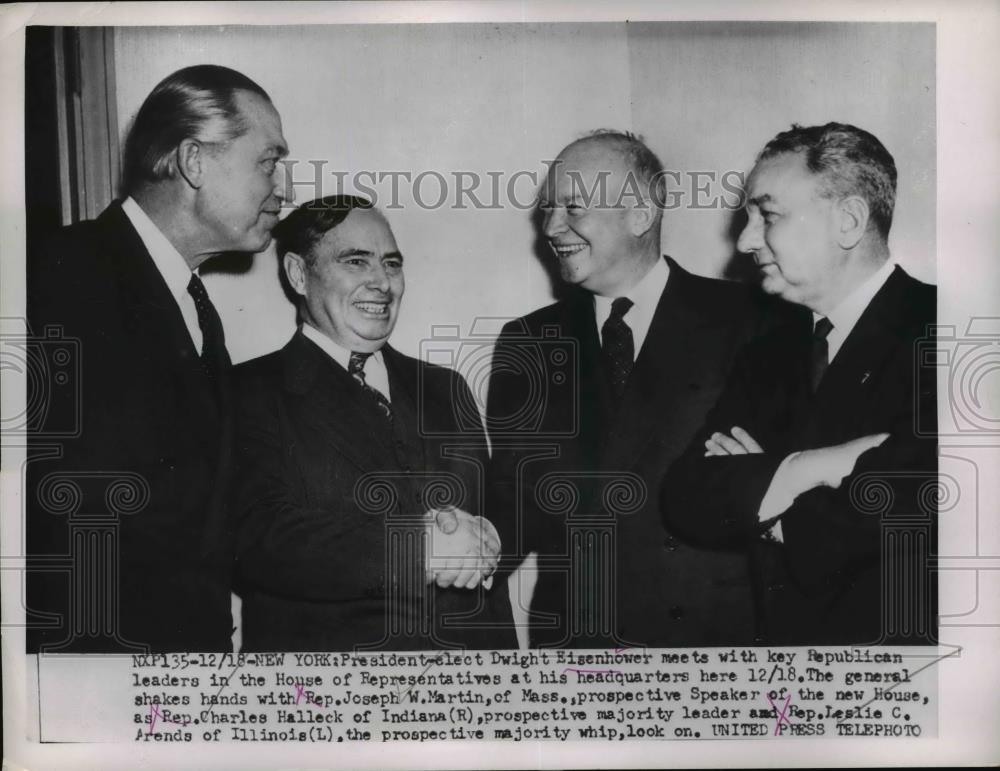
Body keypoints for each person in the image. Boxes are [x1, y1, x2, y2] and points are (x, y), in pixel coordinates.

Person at [26, 64, 290, 652]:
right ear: (194, 161)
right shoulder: (59, 276)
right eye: (268, 161)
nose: (286, 188)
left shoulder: (196, 305)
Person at [486, 130, 774, 648]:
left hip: (714, 644)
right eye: (548, 209)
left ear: (641, 215)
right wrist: (461, 544)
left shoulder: (753, 320)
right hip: (580, 650)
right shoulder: (526, 341)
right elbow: (514, 501)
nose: (552, 227)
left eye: (573, 207)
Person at [661, 123, 937, 645]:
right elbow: (685, 497)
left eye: (768, 215)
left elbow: (918, 496)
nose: (744, 240)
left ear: (849, 221)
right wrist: (813, 467)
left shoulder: (950, 330)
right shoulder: (767, 354)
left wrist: (758, 497)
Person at [232, 195, 516, 651]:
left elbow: (491, 514)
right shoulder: (246, 391)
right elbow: (258, 540)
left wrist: (491, 534)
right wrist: (413, 548)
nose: (382, 283)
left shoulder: (445, 387)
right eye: (356, 261)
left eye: (391, 263)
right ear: (298, 274)